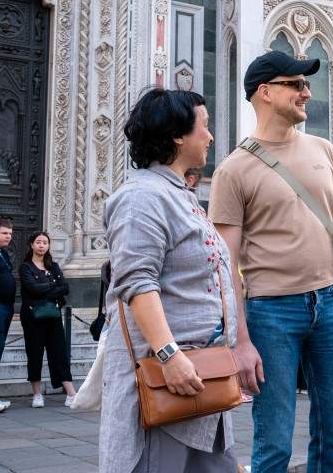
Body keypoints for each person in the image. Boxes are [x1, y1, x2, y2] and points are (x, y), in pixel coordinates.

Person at [209, 50, 333, 472]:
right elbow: (225, 262)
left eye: (306, 84)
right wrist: (240, 339)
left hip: (329, 305)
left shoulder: (324, 149)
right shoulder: (234, 169)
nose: (307, 92)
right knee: (273, 442)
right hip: (270, 311)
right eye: (296, 84)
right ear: (265, 92)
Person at [101, 88, 242, 472]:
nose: (210, 137)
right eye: (205, 127)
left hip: (204, 383)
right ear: (178, 135)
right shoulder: (142, 196)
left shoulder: (182, 195)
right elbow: (136, 282)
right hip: (168, 383)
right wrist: (170, 355)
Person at [19, 231, 76, 408]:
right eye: (38, 242)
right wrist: (53, 286)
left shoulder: (54, 266)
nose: (42, 245)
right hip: (32, 317)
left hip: (53, 316)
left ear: (48, 246)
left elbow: (65, 288)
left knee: (59, 353)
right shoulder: (25, 267)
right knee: (34, 353)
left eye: (45, 242)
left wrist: (44, 289)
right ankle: (37, 394)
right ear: (32, 245)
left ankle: (71, 393)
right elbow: (32, 289)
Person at [0, 218, 14, 413]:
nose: (9, 237)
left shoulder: (4, 254)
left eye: (10, 234)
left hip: (6, 308)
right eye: (4, 233)